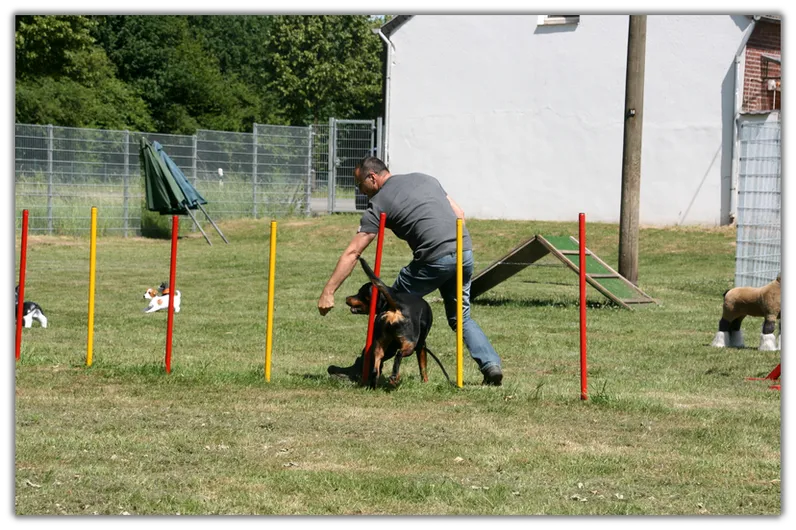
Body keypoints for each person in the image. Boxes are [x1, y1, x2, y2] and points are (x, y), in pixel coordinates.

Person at [317, 156, 503, 386]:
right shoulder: (425, 179)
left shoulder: (380, 201)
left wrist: (329, 291)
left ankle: (364, 369)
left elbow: (353, 252)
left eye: (359, 185)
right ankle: (491, 365)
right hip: (463, 251)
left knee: (391, 307)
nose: (361, 191)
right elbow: (460, 213)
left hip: (433, 258)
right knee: (461, 318)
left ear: (372, 178)